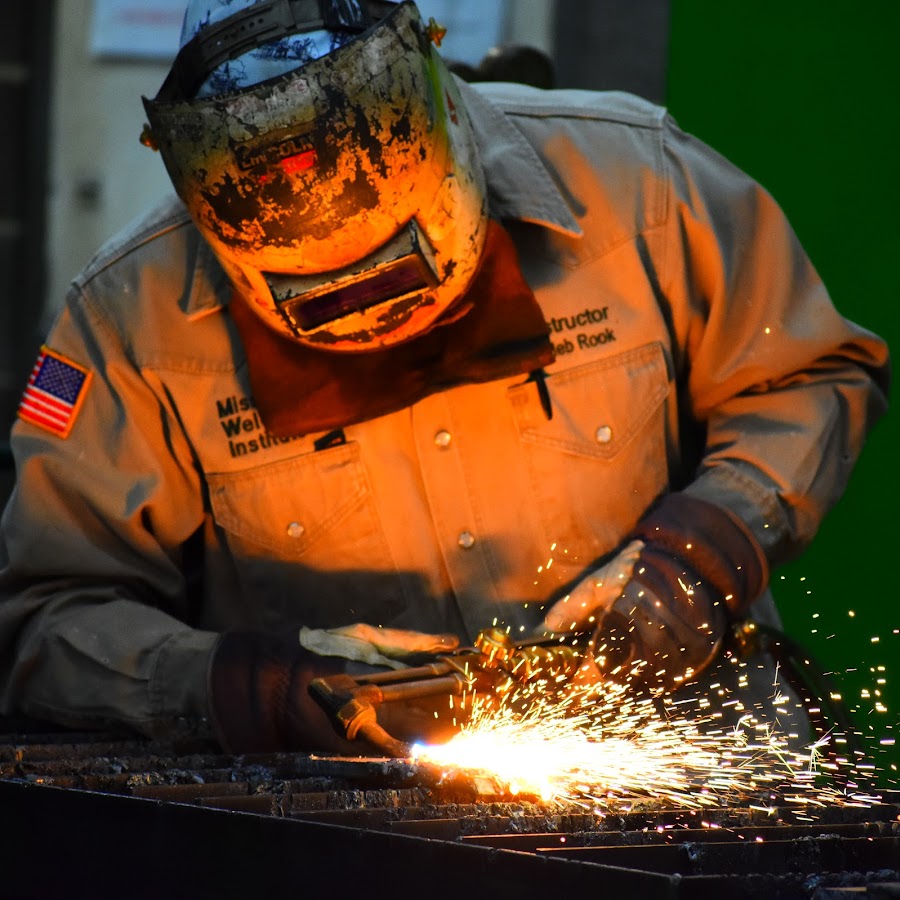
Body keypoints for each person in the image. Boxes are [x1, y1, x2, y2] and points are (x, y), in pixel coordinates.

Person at [0, 0, 889, 756]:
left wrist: (698, 554)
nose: (378, 313)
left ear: (439, 125)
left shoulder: (641, 186)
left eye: (394, 260)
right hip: (361, 834)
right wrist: (252, 688)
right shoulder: (131, 320)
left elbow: (810, 375)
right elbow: (52, 617)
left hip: (679, 765)